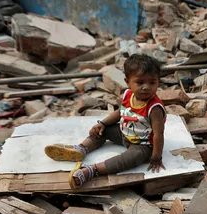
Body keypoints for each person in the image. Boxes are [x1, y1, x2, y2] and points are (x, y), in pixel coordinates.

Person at [44, 54, 166, 188]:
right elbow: (120, 112)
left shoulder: (154, 108)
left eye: (152, 82)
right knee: (103, 130)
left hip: (142, 145)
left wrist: (156, 157)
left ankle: (93, 170)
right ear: (127, 82)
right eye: (140, 82)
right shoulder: (128, 95)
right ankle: (82, 149)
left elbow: (158, 134)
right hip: (124, 133)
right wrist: (102, 124)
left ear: (158, 82)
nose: (146, 87)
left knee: (131, 158)